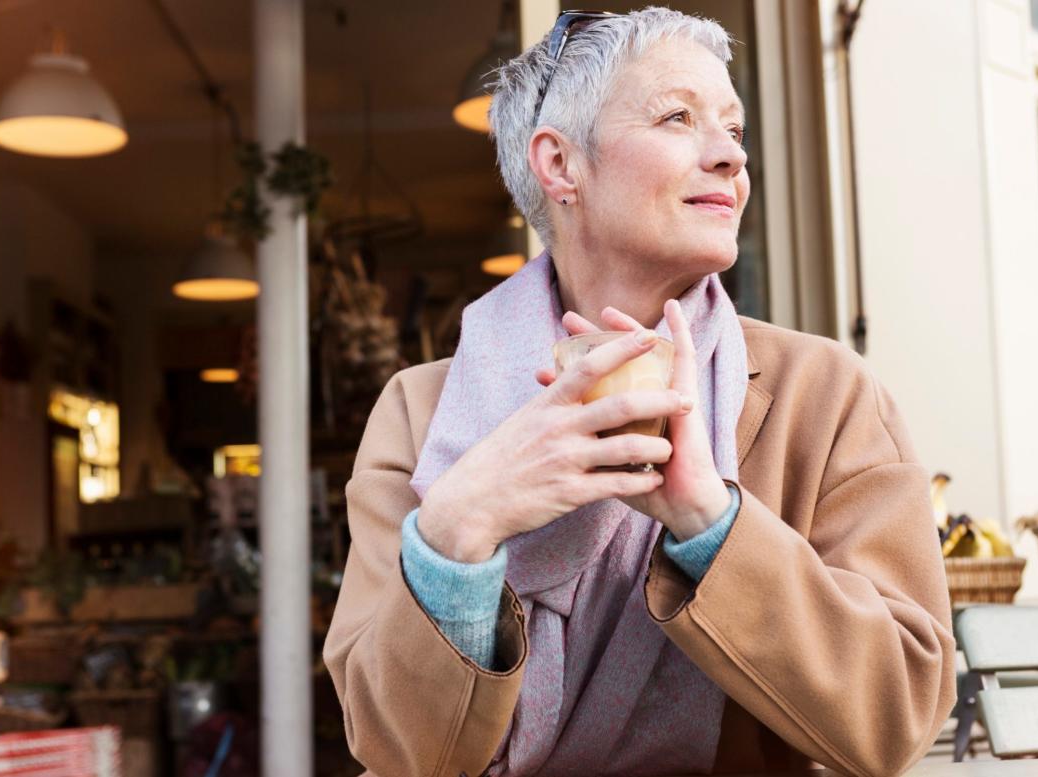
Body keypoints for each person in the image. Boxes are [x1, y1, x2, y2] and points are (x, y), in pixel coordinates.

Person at [324, 7, 956, 776]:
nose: (729, 156)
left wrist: (708, 519)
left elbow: (896, 720)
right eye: (678, 117)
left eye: (736, 128)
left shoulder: (825, 397)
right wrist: (460, 527)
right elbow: (394, 749)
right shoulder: (422, 414)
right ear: (561, 166)